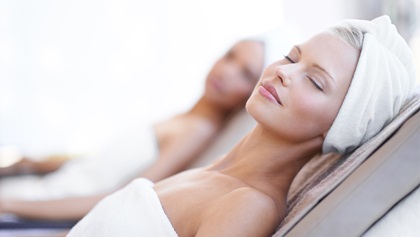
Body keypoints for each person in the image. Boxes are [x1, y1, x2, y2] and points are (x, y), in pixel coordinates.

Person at [3, 15, 416, 236]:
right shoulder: (220, 169)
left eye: (314, 80)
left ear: (340, 127)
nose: (285, 73)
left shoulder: (248, 206)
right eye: (292, 58)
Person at [0, 29, 294, 219]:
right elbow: (101, 167)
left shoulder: (197, 131)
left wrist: (9, 206)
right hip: (38, 191)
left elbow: (121, 199)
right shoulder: (185, 117)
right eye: (230, 56)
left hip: (42, 206)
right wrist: (31, 164)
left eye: (245, 74)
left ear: (254, 88)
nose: (227, 71)